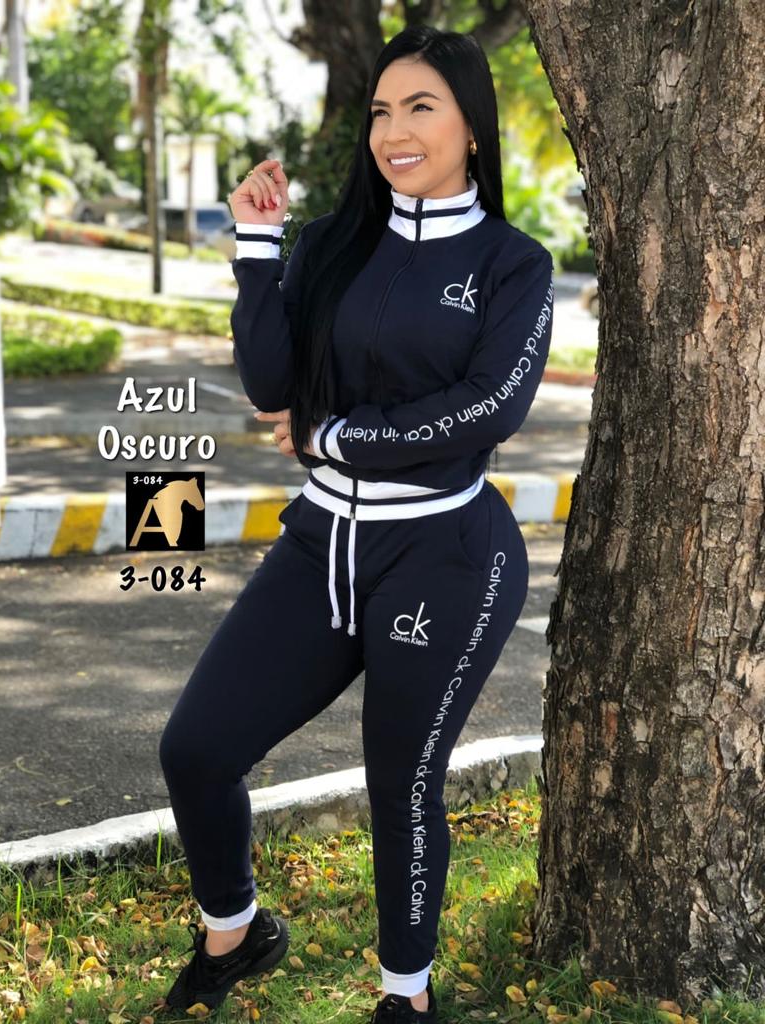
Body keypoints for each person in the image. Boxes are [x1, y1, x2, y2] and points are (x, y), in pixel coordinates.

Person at [158, 22, 554, 1022]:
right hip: (321, 542)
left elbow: (489, 407)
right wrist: (258, 247)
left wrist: (335, 435)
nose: (393, 131)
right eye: (381, 110)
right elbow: (270, 383)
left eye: (421, 107)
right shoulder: (331, 242)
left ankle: (404, 997)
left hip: (445, 552)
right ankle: (235, 932)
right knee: (196, 749)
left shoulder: (514, 264)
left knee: (400, 785)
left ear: (473, 127)